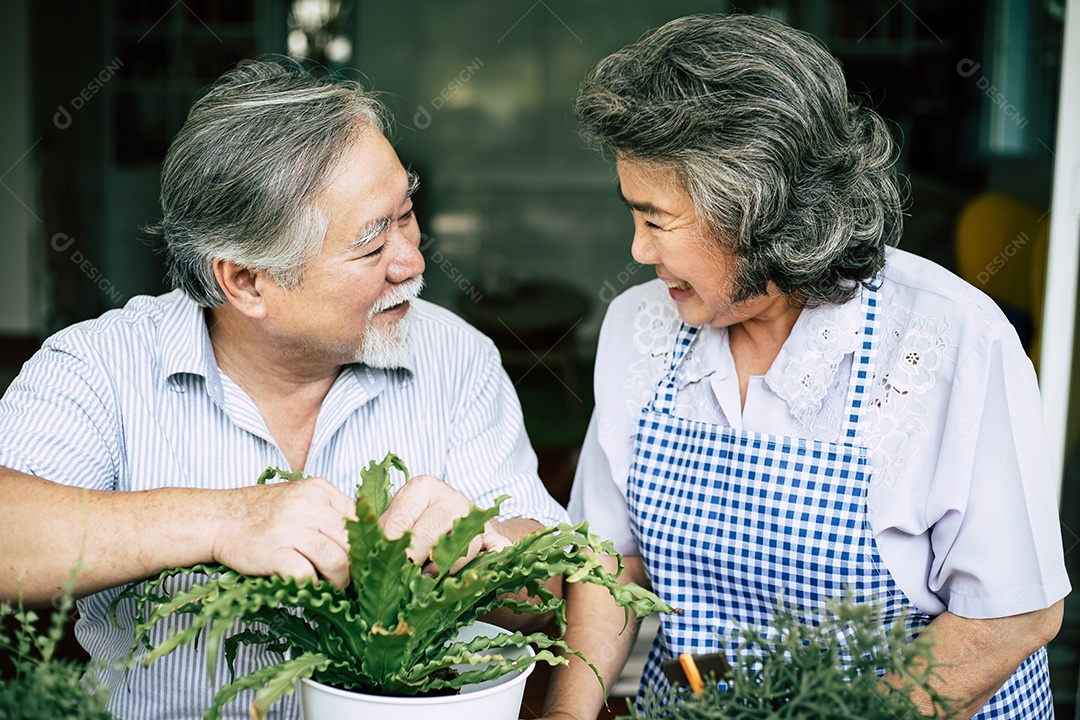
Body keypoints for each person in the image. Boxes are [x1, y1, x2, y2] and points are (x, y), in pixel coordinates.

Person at [0, 57, 568, 719]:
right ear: (246, 282)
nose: (413, 259)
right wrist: (218, 520)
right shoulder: (103, 363)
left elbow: (554, 585)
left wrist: (483, 548)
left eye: (406, 214)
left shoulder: (455, 356)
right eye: (370, 242)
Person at [543, 13, 1069, 720]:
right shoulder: (640, 327)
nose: (637, 250)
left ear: (756, 212)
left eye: (656, 219)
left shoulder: (951, 343)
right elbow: (612, 565)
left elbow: (1012, 618)